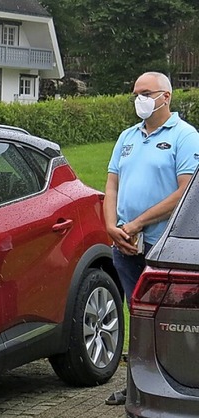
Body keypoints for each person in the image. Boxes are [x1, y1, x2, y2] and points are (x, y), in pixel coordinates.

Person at [103, 72, 199, 406]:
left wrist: (139, 222)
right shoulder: (127, 137)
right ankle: (135, 386)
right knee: (137, 317)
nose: (139, 99)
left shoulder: (185, 137)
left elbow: (185, 191)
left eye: (146, 93)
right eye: (135, 93)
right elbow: (112, 184)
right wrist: (112, 226)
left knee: (167, 322)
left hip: (162, 247)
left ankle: (173, 385)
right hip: (126, 244)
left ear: (166, 96)